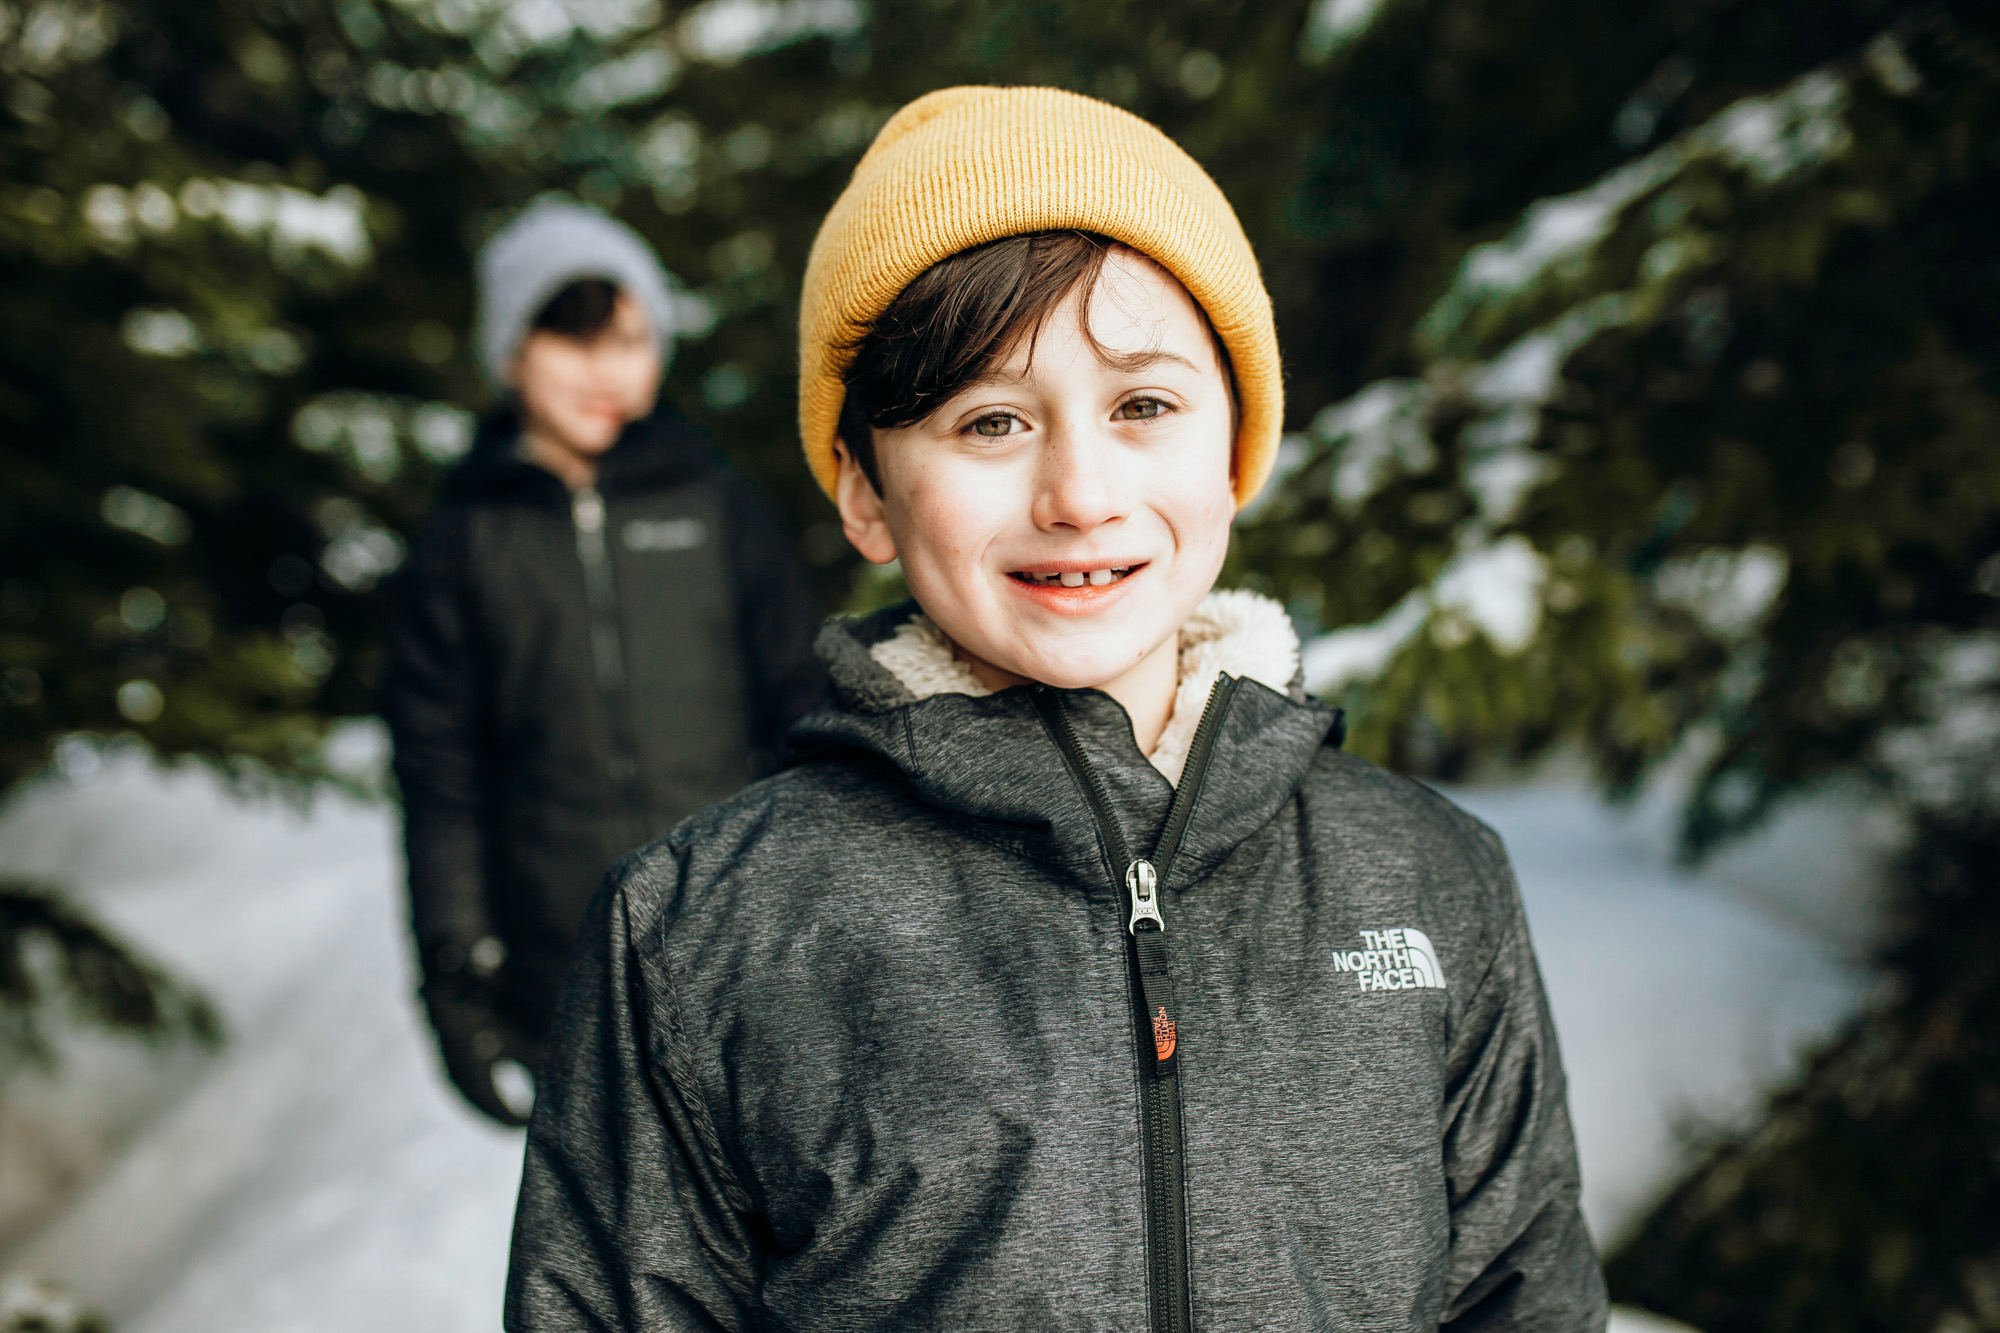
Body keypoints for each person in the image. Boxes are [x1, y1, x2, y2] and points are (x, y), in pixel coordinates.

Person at [506, 90, 1607, 1328]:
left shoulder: (1426, 877)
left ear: (1234, 446)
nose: (1079, 492)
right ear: (865, 495)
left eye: (1142, 405)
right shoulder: (701, 931)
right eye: (989, 420)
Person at [382, 200, 823, 1127]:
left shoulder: (713, 508)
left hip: (745, 955)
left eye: (631, 340)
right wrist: (457, 975)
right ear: (510, 353)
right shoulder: (464, 542)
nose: (608, 369)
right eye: (573, 340)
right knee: (629, 1256)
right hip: (566, 975)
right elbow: (440, 774)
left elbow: (801, 714)